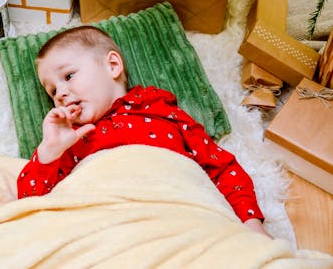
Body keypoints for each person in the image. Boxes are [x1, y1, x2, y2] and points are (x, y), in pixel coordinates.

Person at [17, 25, 271, 238]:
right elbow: (31, 203)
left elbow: (221, 166)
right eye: (52, 91)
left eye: (69, 76)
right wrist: (49, 150)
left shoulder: (161, 111)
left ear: (113, 65)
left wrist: (251, 223)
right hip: (108, 230)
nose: (60, 93)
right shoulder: (69, 141)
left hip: (178, 219)